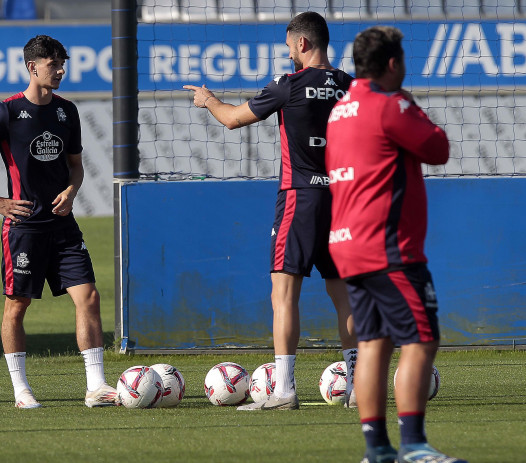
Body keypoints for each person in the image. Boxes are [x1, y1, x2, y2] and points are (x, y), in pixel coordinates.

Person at [184, 11, 358, 411]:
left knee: (284, 294)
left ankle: (284, 391)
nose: (289, 56)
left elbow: (231, 120)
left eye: (289, 48)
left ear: (302, 43)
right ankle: (356, 388)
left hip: (300, 196)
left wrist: (207, 99)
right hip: (344, 199)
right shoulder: (353, 88)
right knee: (345, 296)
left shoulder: (289, 86)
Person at [325, 26, 467, 463]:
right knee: (421, 339)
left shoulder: (340, 109)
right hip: (387, 248)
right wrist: (413, 107)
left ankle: (377, 450)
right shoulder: (392, 105)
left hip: (346, 244)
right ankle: (414, 446)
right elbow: (438, 148)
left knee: (373, 344)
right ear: (393, 64)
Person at [0, 35, 117, 409]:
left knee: (88, 297)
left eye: (62, 64)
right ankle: (21, 390)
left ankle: (96, 386)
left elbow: (75, 167)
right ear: (32, 67)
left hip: (63, 226)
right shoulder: (6, 112)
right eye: (53, 64)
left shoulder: (66, 111)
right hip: (23, 228)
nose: (60, 71)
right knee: (17, 306)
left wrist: (73, 191)